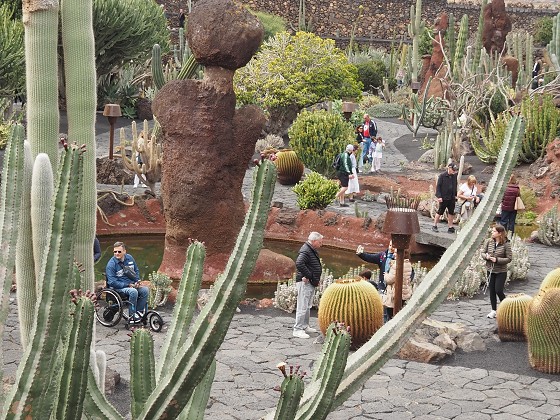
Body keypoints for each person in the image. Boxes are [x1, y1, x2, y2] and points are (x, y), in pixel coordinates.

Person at [105, 241, 149, 324]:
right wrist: (128, 285)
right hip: (119, 287)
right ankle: (132, 316)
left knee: (145, 290)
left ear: (124, 251)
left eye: (119, 251)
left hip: (131, 285)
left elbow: (136, 270)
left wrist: (137, 281)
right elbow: (112, 282)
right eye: (115, 252)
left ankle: (138, 314)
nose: (117, 253)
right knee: (133, 292)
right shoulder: (111, 265)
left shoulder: (130, 258)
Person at [293, 232, 323, 339]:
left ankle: (305, 326)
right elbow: (299, 263)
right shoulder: (306, 250)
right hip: (305, 282)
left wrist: (314, 279)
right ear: (314, 241)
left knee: (307, 306)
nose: (321, 244)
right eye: (320, 242)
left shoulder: (311, 250)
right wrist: (309, 276)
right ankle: (298, 329)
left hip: (310, 282)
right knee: (302, 306)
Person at [481, 225, 512, 319]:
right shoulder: (488, 241)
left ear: (500, 233)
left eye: (494, 231)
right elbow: (483, 252)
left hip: (501, 271)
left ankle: (506, 308)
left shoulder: (506, 244)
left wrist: (497, 260)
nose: (492, 232)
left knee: (498, 290)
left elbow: (509, 258)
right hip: (490, 270)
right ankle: (493, 310)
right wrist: (486, 257)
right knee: (492, 291)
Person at [383, 249, 413, 321]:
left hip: (394, 293)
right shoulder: (408, 264)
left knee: (391, 315)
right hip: (404, 292)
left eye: (396, 253)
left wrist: (385, 275)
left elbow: (389, 280)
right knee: (400, 313)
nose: (394, 254)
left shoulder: (396, 265)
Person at [432, 162, 459, 234]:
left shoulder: (454, 176)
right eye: (453, 169)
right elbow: (438, 187)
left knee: (451, 212)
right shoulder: (442, 176)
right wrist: (439, 196)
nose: (454, 171)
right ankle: (434, 225)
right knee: (440, 211)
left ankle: (450, 227)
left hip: (451, 198)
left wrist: (455, 195)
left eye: (454, 170)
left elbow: (455, 186)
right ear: (449, 168)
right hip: (444, 198)